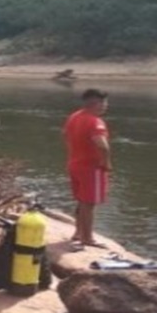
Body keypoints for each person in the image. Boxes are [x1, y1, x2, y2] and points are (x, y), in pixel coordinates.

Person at [63, 89, 112, 249]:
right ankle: (87, 238)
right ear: (96, 104)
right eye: (104, 103)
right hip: (91, 168)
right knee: (89, 203)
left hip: (74, 164)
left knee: (81, 201)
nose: (106, 106)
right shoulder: (95, 122)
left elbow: (66, 136)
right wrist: (106, 163)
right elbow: (103, 146)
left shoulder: (74, 117)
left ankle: (78, 233)